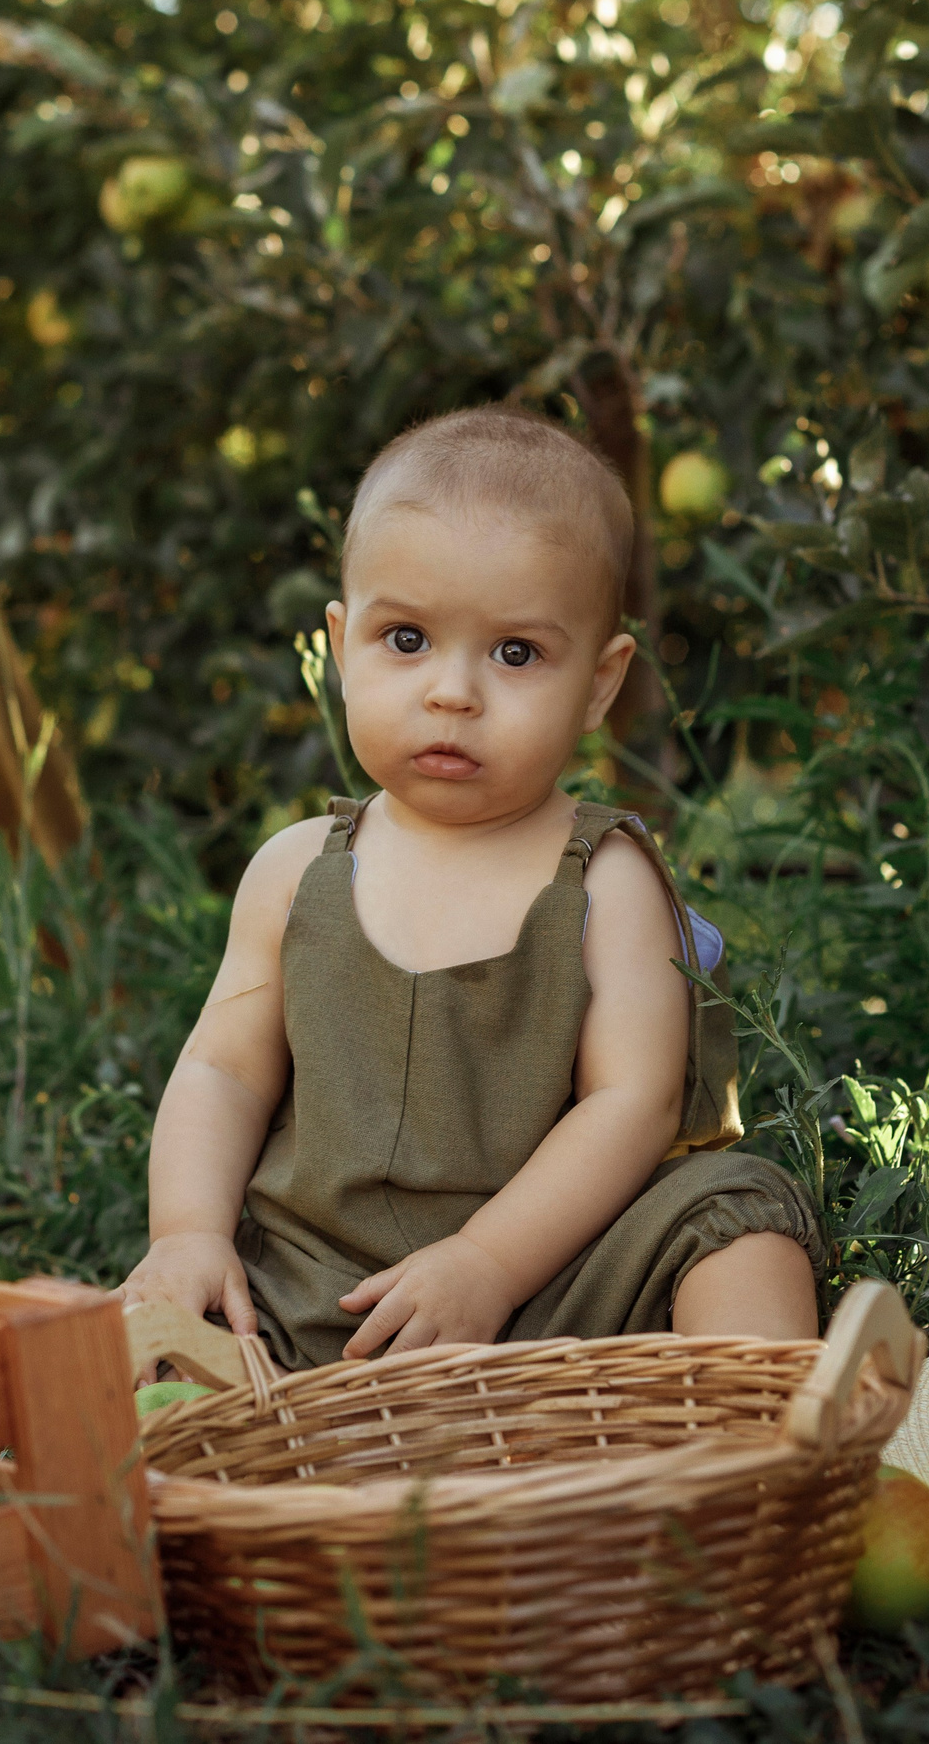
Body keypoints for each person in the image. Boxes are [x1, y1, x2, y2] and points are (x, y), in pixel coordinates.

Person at [117, 404, 823, 1369]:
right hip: (316, 1291)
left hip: (552, 1288)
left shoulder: (609, 883)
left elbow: (636, 1103)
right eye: (405, 640)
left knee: (739, 1222)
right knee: (161, 1342)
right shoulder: (295, 871)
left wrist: (486, 1262)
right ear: (340, 644)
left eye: (517, 653)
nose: (453, 691)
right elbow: (222, 1070)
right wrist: (189, 1232)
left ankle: (751, 1454)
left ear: (603, 684)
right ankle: (251, 1447)